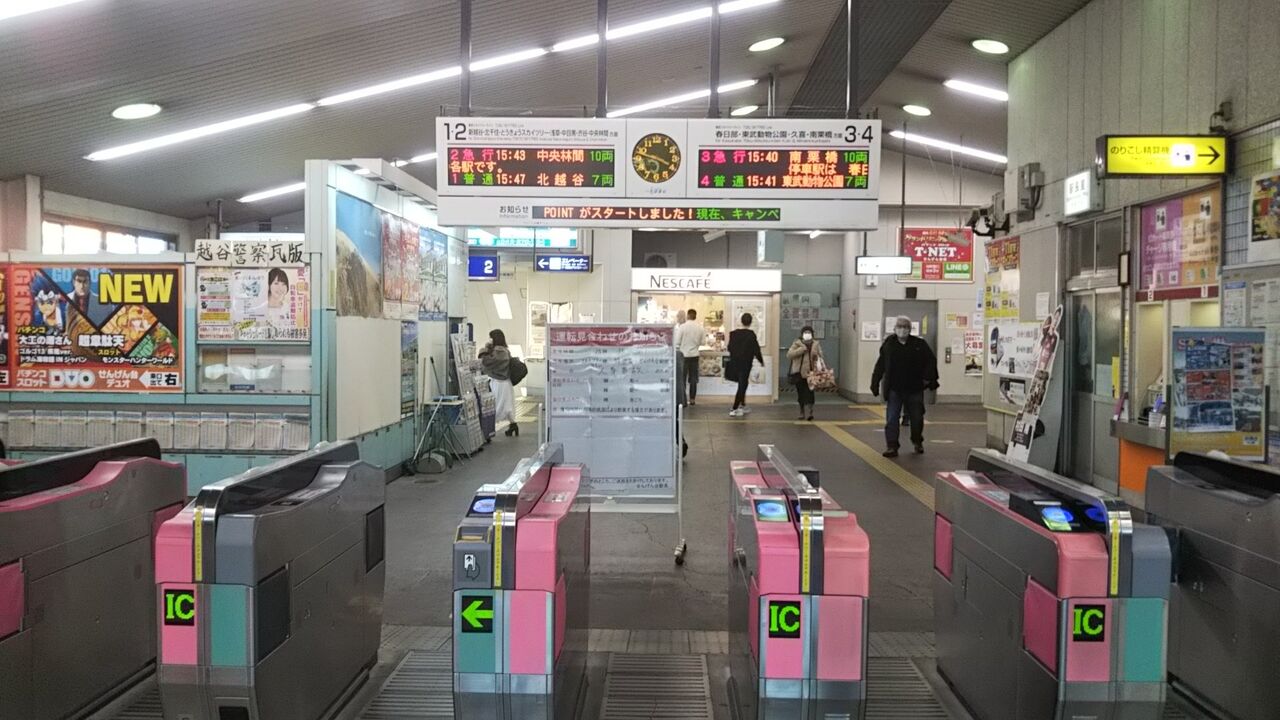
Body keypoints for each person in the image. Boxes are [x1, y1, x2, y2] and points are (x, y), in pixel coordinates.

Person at [871, 316, 939, 457]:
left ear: (909, 329)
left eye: (905, 327)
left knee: (916, 418)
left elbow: (931, 361)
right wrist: (875, 382)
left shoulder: (919, 344)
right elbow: (881, 364)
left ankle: (917, 441)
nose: (902, 329)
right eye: (899, 326)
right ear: (895, 328)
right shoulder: (889, 345)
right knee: (892, 418)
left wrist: (929, 380)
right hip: (894, 389)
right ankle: (892, 446)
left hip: (914, 388)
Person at [479, 329, 518, 437]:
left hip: (498, 383)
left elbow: (488, 362)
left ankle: (488, 430)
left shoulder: (498, 352)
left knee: (495, 407)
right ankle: (513, 426)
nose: (489, 340)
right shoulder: (505, 350)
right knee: (507, 407)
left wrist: (483, 351)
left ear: (495, 338)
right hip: (505, 383)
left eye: (491, 337)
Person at [726, 313, 764, 418]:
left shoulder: (733, 334)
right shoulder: (751, 335)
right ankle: (734, 408)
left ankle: (742, 404)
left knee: (743, 384)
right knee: (742, 385)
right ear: (751, 322)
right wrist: (761, 361)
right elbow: (756, 349)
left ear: (741, 321)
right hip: (746, 364)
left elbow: (729, 348)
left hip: (735, 363)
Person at [786, 325, 824, 421]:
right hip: (799, 373)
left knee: (810, 392)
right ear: (802, 334)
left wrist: (817, 355)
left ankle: (810, 411)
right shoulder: (797, 343)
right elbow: (789, 355)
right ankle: (801, 411)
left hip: (811, 373)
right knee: (801, 393)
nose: (807, 334)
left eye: (809, 332)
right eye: (805, 332)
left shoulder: (815, 344)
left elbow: (821, 355)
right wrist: (801, 350)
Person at [675, 308, 703, 406]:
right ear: (695, 316)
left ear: (688, 316)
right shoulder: (700, 328)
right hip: (695, 356)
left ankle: (683, 400)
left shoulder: (682, 327)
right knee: (693, 380)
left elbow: (677, 342)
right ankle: (692, 400)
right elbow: (703, 342)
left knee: (682, 379)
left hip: (684, 356)